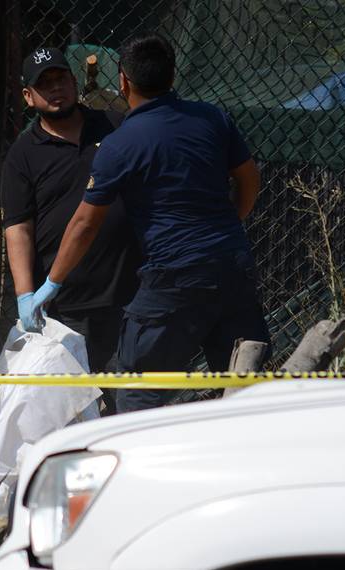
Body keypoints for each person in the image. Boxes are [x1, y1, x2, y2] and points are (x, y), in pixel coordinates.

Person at [30, 33, 270, 413]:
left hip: (173, 282)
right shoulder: (212, 118)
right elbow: (249, 177)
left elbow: (84, 225)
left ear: (123, 80)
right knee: (244, 383)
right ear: (173, 75)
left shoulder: (120, 144)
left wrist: (50, 283)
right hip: (232, 267)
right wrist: (230, 223)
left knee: (139, 393)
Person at [0, 47, 139, 412]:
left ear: (75, 81)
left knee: (133, 405)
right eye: (44, 85)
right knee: (69, 413)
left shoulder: (115, 126)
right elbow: (18, 227)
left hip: (130, 294)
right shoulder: (22, 155)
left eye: (60, 78)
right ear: (28, 97)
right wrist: (26, 295)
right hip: (65, 305)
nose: (55, 88)